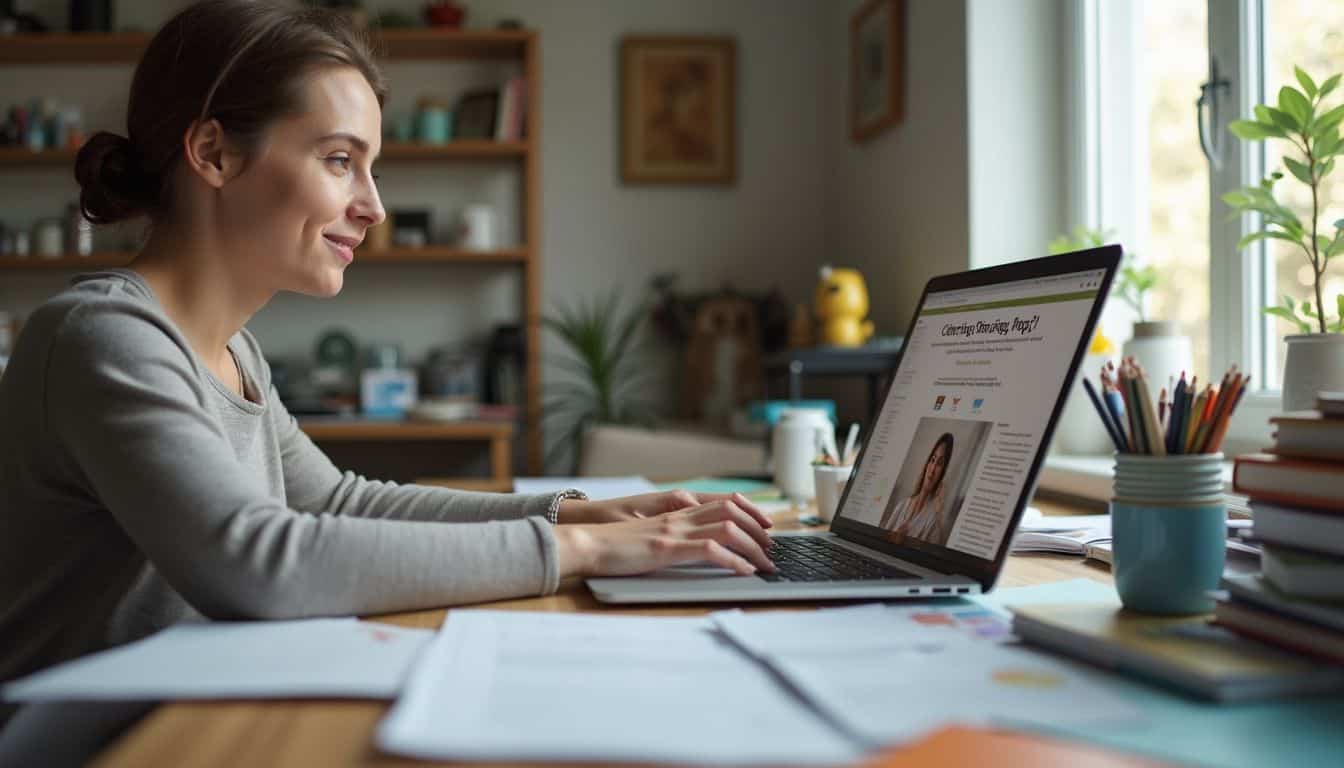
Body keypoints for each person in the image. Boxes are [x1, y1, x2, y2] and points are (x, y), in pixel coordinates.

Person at [0, 0, 776, 735]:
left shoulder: (233, 352)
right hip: (85, 743)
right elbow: (255, 562)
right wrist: (587, 553)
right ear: (213, 152)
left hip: (192, 716)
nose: (372, 204)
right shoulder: (103, 337)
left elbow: (339, 504)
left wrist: (572, 515)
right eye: (340, 159)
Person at [879, 432, 955, 543]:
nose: (933, 469)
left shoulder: (933, 524)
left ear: (943, 472)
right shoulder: (902, 505)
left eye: (939, 463)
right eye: (933, 460)